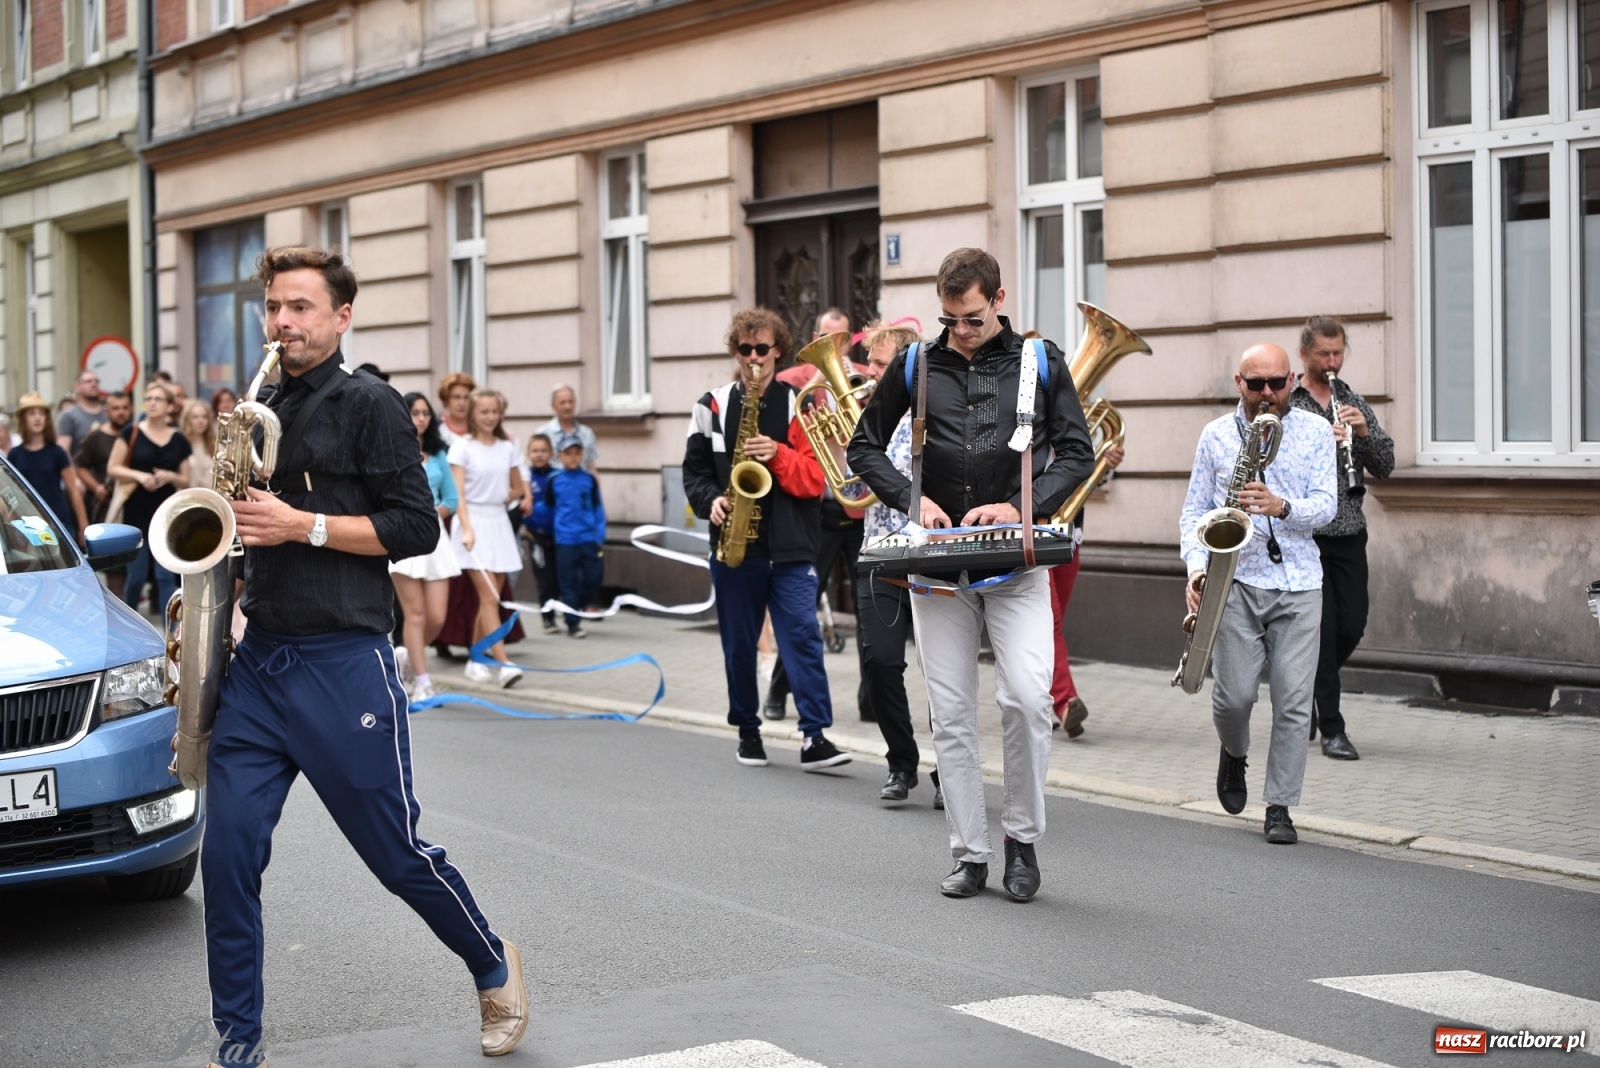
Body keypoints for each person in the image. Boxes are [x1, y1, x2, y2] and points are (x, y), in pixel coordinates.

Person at [200, 246, 525, 1067]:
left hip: (344, 662)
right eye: (274, 307)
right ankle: (238, 1033)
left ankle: (492, 962)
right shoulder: (260, 403)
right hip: (260, 663)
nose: (283, 322)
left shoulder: (372, 403)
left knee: (394, 855)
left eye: (301, 307)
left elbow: (416, 528)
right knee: (227, 854)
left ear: (342, 317)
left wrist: (301, 525)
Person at [847, 248, 1094, 901]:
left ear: (999, 299)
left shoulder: (1041, 361)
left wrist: (1021, 506)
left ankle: (1022, 841)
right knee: (951, 714)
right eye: (949, 319)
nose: (960, 330)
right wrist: (910, 499)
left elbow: (1078, 454)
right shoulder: (915, 363)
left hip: (1015, 562)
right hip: (936, 565)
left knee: (1028, 699)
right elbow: (863, 446)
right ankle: (970, 853)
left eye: (973, 318)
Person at [1180, 343, 1336, 846]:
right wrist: (1196, 570)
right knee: (1234, 698)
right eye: (1256, 384)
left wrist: (1281, 506)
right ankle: (1234, 752)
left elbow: (1328, 506)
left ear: (1292, 380)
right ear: (1238, 383)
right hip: (1236, 580)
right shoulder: (1216, 435)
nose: (1267, 393)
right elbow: (1194, 512)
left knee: (1293, 702)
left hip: (1300, 582)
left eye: (1277, 383)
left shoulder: (1315, 431)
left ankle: (1280, 806)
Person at [682, 306, 851, 772]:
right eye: (745, 349)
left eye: (762, 348)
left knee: (803, 639)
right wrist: (711, 501)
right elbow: (693, 472)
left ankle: (814, 736)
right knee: (739, 646)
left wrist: (777, 454)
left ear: (778, 351)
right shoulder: (711, 406)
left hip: (792, 545)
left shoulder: (802, 403)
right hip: (735, 545)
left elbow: (814, 479)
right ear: (735, 351)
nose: (754, 357)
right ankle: (747, 730)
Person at [1290, 316, 1393, 762]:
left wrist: (1363, 433)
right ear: (1304, 354)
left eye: (1338, 353)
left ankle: (1311, 687)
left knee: (1351, 625)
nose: (1332, 362)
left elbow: (1386, 464)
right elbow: (1276, 462)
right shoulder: (1289, 404)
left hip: (1349, 529)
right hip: (1307, 534)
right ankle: (1332, 728)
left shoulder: (1351, 400)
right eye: (1323, 354)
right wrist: (1319, 442)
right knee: (1323, 630)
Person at [851, 320, 940, 805]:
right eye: (869, 362)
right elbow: (849, 495)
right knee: (880, 662)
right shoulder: (866, 417)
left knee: (942, 671)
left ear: (904, 369)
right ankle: (901, 762)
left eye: (879, 364)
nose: (869, 371)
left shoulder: (933, 415)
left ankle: (949, 770)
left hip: (929, 557)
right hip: (878, 553)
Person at [450, 388, 532, 687]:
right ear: (473, 414)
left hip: (498, 522)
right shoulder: (462, 447)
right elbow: (458, 493)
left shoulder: (507, 447)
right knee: (490, 599)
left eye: (494, 411)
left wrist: (499, 496)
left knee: (490, 600)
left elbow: (517, 487)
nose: (490, 417)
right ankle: (503, 663)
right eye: (484, 411)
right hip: (472, 522)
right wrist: (467, 527)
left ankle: (476, 658)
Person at [390, 392, 462, 703]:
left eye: (425, 413)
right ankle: (422, 682)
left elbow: (452, 500)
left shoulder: (439, 453)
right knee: (415, 614)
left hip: (434, 537)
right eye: (415, 412)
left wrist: (429, 515)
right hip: (403, 535)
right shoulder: (391, 450)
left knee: (437, 617)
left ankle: (406, 657)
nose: (421, 418)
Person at [106, 382, 192, 613]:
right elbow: (113, 468)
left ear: (169, 406)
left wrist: (171, 475)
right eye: (149, 399)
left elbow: (185, 480)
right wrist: (139, 475)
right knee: (136, 576)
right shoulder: (131, 432)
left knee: (165, 577)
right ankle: (130, 620)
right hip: (136, 512)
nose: (152, 403)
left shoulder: (179, 439)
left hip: (166, 514)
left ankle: (168, 630)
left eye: (158, 399)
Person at [546, 434, 606, 639]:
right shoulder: (554, 480)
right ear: (559, 456)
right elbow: (548, 508)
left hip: (589, 538)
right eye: (568, 453)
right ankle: (573, 623)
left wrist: (600, 534)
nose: (573, 457)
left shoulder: (589, 479)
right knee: (568, 583)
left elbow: (598, 507)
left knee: (593, 578)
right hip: (565, 540)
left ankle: (582, 603)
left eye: (577, 453)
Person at [10, 392, 90, 543]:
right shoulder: (15, 454)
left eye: (41, 413)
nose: (37, 418)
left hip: (57, 522)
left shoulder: (57, 452)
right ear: (23, 419)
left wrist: (83, 526)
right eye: (32, 413)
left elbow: (73, 490)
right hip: (26, 525)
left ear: (47, 418)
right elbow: (10, 493)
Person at [73, 391, 133, 526]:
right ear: (107, 411)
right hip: (107, 504)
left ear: (131, 409)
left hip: (134, 503)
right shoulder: (95, 437)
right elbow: (79, 466)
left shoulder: (138, 434)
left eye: (125, 408)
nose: (121, 412)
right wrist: (96, 487)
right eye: (116, 408)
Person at [521, 433, 560, 635]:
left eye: (544, 450)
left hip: (559, 537)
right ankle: (548, 619)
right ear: (528, 454)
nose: (539, 455)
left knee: (559, 577)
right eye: (535, 451)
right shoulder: (525, 478)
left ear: (551, 453)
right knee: (544, 579)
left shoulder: (558, 476)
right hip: (536, 537)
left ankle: (563, 611)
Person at [534, 384, 598, 471]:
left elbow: (591, 466)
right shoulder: (542, 434)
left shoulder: (586, 433)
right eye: (562, 403)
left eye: (571, 402)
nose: (568, 407)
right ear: (553, 406)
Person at [56, 369, 105, 459]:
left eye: (96, 381)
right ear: (77, 387)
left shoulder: (108, 413)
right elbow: (63, 452)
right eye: (88, 381)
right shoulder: (68, 416)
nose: (94, 384)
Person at [179, 399, 217, 490]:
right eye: (195, 417)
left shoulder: (216, 446)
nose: (200, 421)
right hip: (187, 495)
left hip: (211, 495)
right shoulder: (179, 445)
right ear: (187, 420)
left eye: (204, 417)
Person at [437, 372, 476, 444]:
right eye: (456, 397)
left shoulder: (480, 427)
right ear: (446, 400)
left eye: (466, 397)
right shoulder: (435, 429)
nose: (462, 403)